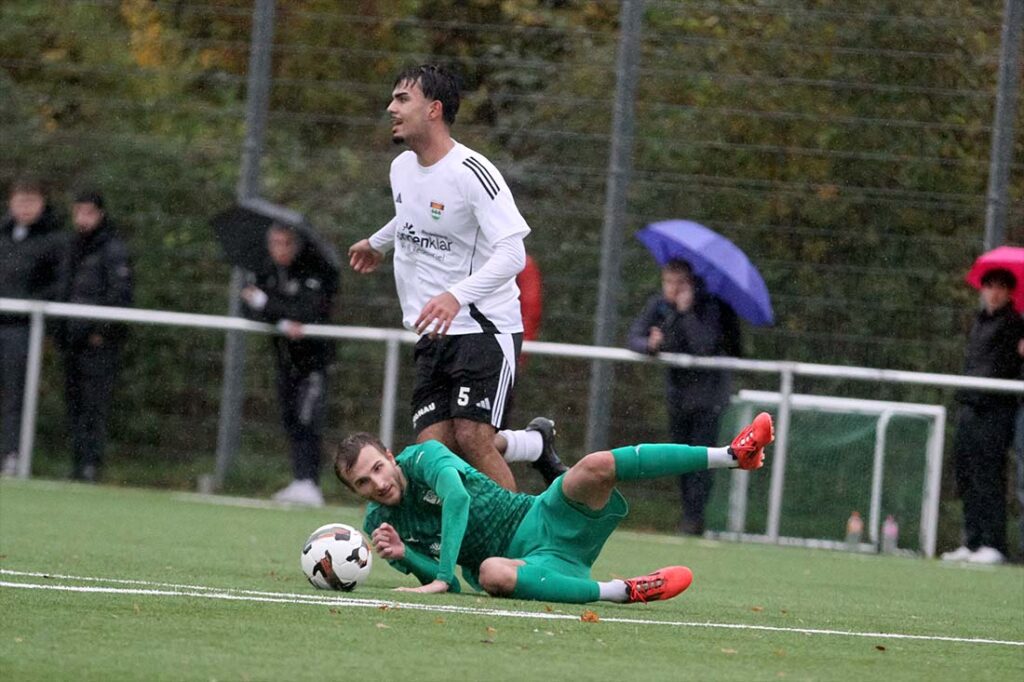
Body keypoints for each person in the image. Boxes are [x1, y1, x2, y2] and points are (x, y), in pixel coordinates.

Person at [347, 64, 564, 491]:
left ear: (434, 110)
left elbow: (512, 254)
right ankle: (532, 446)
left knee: (473, 437)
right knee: (433, 451)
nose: (391, 108)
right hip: (434, 332)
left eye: (402, 99)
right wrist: (378, 242)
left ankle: (518, 531)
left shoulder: (472, 172)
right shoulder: (402, 168)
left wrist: (456, 296)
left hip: (484, 327)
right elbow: (416, 216)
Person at [333, 412, 773, 603]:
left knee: (595, 466)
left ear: (390, 456)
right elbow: (446, 587)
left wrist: (445, 576)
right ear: (355, 491)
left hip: (540, 515)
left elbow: (458, 498)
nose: (378, 484)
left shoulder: (424, 456)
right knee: (491, 573)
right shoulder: (379, 524)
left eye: (378, 468)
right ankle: (624, 591)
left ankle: (732, 455)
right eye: (363, 483)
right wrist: (406, 556)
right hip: (529, 564)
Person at [626, 258, 741, 535]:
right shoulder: (659, 306)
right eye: (668, 282)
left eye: (679, 283)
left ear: (690, 284)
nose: (672, 289)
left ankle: (693, 518)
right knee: (680, 457)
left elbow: (704, 346)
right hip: (678, 397)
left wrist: (687, 313)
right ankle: (689, 515)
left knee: (702, 459)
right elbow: (634, 337)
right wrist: (649, 345)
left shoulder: (710, 307)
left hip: (708, 398)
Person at [241, 223, 339, 506]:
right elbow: (248, 306)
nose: (280, 249)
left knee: (308, 419)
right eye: (275, 242)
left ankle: (311, 482)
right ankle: (299, 480)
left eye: (286, 243)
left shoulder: (313, 270)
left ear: (296, 245)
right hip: (285, 360)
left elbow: (307, 310)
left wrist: (266, 303)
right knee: (290, 418)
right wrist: (281, 320)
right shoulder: (266, 272)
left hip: (314, 361)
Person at [942, 268, 1024, 565]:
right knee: (966, 473)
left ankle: (993, 543)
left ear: (1009, 292)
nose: (994, 292)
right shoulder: (979, 321)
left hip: (996, 409)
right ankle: (973, 540)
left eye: (1001, 287)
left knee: (989, 475)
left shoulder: (1015, 323)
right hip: (970, 405)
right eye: (990, 286)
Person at [53, 191, 133, 482]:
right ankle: (77, 463)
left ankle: (91, 465)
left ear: (100, 214)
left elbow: (120, 295)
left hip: (98, 344)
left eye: (88, 212)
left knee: (94, 406)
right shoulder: (70, 246)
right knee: (74, 404)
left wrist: (101, 332)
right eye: (78, 212)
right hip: (72, 339)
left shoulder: (113, 249)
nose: (82, 219)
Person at [0, 178, 65, 477]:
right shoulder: (3, 235)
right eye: (20, 201)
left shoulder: (53, 241)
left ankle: (11, 454)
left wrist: (30, 302)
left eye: (31, 201)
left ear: (42, 204)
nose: (24, 208)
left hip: (22, 327)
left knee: (15, 394)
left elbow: (58, 284)